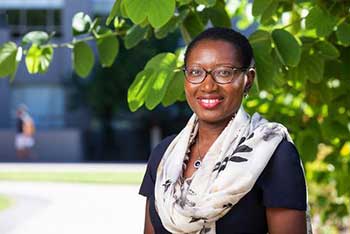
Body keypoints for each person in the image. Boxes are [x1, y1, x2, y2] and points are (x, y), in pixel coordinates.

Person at [139, 27, 310, 234]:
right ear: (186, 79)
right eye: (196, 72)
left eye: (224, 73)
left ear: (248, 80)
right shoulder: (164, 156)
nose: (208, 86)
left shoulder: (273, 155)